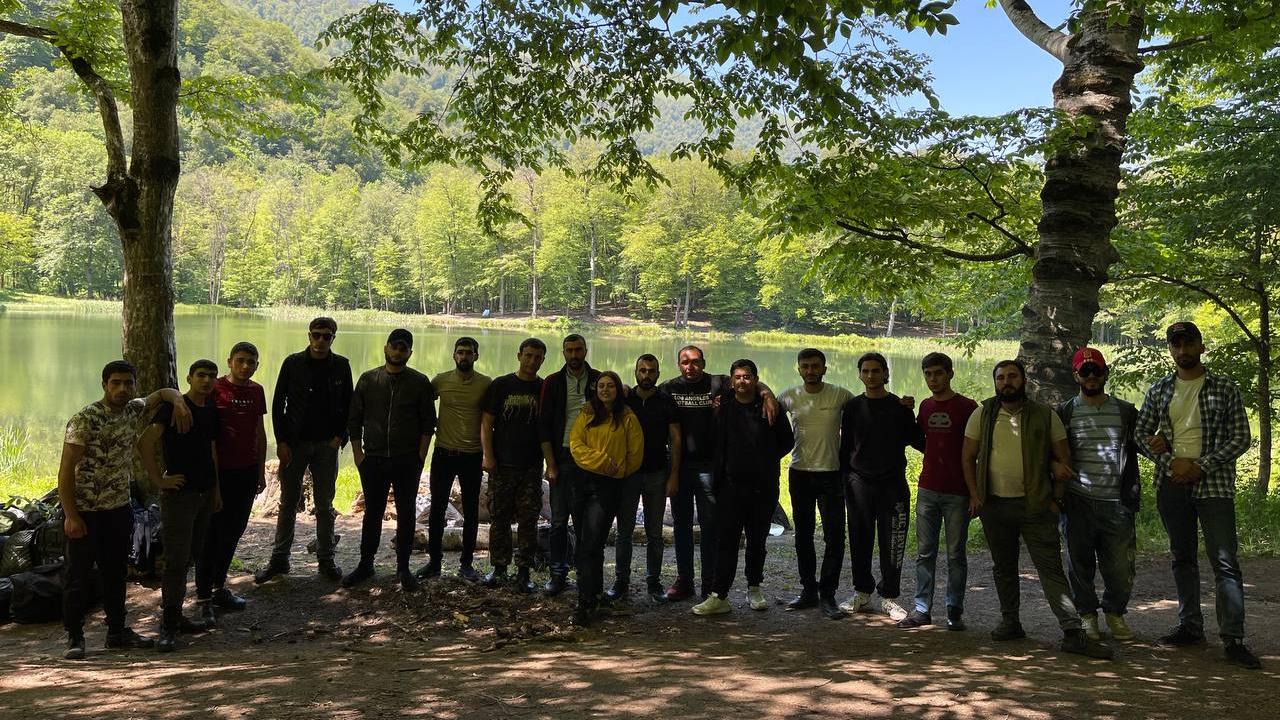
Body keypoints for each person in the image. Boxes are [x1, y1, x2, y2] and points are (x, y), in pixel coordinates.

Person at [962, 359, 1110, 658]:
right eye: (1001, 378)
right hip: (995, 506)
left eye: (1012, 376)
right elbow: (968, 456)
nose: (1007, 382)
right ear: (995, 382)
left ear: (1023, 380)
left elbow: (1064, 459)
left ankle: (1073, 632)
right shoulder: (983, 413)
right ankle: (1011, 622)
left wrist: (1057, 499)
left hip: (1037, 507)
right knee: (1003, 568)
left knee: (1050, 569)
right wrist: (975, 494)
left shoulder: (1045, 415)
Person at [1136, 321, 1260, 669]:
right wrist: (1170, 462)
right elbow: (1140, 434)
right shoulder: (1159, 390)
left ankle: (1233, 639)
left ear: (1201, 346)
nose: (1182, 350)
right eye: (1176, 345)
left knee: (1225, 561)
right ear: (1170, 349)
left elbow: (1240, 437)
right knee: (1182, 557)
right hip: (1172, 484)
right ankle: (1190, 627)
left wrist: (1200, 466)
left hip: (1214, 485)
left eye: (1188, 343)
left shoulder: (1224, 387)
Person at [58, 360, 190, 660]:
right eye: (115, 383)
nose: (122, 389)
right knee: (77, 575)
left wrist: (179, 402)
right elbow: (65, 471)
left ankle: (117, 632)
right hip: (85, 511)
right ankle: (75, 637)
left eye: (128, 383)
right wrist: (71, 515)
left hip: (118, 509)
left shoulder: (133, 410)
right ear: (104, 385)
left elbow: (163, 393)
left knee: (116, 572)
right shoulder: (85, 420)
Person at [662, 345, 776, 601]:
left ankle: (709, 583)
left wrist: (767, 394)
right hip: (679, 467)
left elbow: (747, 381)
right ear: (678, 364)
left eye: (695, 362)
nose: (690, 367)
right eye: (685, 362)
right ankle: (684, 580)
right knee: (681, 525)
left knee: (711, 527)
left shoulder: (718, 383)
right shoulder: (669, 388)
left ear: (703, 363)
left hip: (710, 468)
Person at [692, 359, 794, 616]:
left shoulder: (770, 408)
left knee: (757, 541)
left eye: (747, 377)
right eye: (737, 377)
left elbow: (787, 441)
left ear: (756, 379)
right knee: (726, 541)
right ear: (731, 380)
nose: (742, 382)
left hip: (762, 487)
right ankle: (719, 595)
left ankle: (754, 588)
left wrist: (764, 460)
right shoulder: (723, 406)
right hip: (729, 487)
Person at [256, 317, 353, 584]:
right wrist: (281, 442)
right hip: (295, 444)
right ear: (309, 336)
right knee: (287, 502)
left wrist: (340, 437)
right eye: (316, 335)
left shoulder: (341, 365)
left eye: (326, 336)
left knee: (325, 505)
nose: (320, 340)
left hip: (326, 445)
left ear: (333, 338)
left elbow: (349, 404)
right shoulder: (292, 363)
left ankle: (326, 559)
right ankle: (279, 560)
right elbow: (278, 404)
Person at [1055, 347, 1140, 642]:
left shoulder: (1126, 412)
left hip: (1117, 501)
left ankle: (1115, 613)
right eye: (1085, 371)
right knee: (1079, 565)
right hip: (1077, 500)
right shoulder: (1064, 413)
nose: (1091, 376)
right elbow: (1050, 453)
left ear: (1106, 373)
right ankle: (1087, 615)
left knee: (1120, 566)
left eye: (1096, 370)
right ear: (1076, 375)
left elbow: (1146, 444)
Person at [342, 329, 437, 592]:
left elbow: (428, 423)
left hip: (407, 459)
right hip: (373, 459)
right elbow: (354, 419)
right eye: (394, 347)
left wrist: (421, 455)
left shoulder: (419, 382)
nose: (397, 352)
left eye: (403, 348)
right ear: (386, 348)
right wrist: (358, 454)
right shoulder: (369, 379)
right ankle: (366, 563)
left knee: (406, 513)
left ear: (410, 352)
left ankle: (403, 568)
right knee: (372, 512)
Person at [140, 359, 222, 652]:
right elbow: (145, 443)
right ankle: (169, 624)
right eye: (201, 375)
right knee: (176, 561)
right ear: (189, 378)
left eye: (212, 376)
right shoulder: (173, 408)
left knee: (191, 555)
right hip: (179, 496)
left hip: (204, 494)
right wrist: (158, 480)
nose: (207, 380)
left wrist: (216, 491)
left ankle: (178, 615)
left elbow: (211, 450)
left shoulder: (211, 410)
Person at [838, 353, 923, 621]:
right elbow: (845, 448)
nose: (871, 375)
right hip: (859, 483)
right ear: (859, 374)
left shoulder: (900, 407)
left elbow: (918, 440)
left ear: (885, 373)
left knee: (893, 542)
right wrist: (846, 480)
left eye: (876, 371)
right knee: (859, 540)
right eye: (866, 371)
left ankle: (889, 597)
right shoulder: (852, 407)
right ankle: (862, 592)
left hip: (892, 485)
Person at [899, 352, 978, 630]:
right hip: (928, 489)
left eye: (938, 373)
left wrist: (975, 492)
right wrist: (904, 411)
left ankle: (954, 610)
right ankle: (922, 609)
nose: (933, 379)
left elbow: (976, 451)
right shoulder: (925, 406)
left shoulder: (968, 407)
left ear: (950, 374)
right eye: (928, 374)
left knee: (956, 554)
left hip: (958, 492)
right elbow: (920, 439)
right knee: (925, 553)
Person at [778, 348, 852, 620]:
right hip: (800, 474)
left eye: (815, 366)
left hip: (832, 474)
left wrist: (900, 405)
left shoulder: (841, 395)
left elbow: (868, 410)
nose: (810, 371)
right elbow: (764, 411)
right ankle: (809, 590)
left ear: (824, 368)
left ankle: (828, 594)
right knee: (803, 535)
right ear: (799, 369)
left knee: (835, 536)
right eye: (805, 366)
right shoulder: (788, 396)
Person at [195, 342, 268, 615]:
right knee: (211, 534)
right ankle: (203, 597)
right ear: (229, 361)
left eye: (251, 361)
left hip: (246, 471)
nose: (245, 366)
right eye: (240, 360)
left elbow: (259, 432)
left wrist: (260, 471)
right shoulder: (215, 389)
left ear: (257, 365)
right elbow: (207, 436)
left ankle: (218, 588)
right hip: (219, 472)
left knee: (234, 531)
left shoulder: (257, 391)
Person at [569, 371, 644, 624]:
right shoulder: (587, 413)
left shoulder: (628, 417)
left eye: (610, 386)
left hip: (608, 486)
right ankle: (594, 594)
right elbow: (576, 445)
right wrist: (602, 461)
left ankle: (585, 602)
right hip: (582, 483)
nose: (605, 390)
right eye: (601, 386)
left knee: (592, 543)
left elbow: (635, 455)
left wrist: (617, 471)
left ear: (618, 390)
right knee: (585, 543)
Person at [418, 336, 491, 583]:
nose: (464, 356)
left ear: (476, 356)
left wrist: (489, 454)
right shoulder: (440, 381)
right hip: (443, 453)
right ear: (454, 355)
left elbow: (491, 420)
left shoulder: (486, 384)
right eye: (460, 352)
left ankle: (466, 564)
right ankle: (434, 563)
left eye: (469, 352)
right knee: (437, 509)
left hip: (472, 456)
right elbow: (422, 406)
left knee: (471, 511)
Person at [613, 354, 681, 604]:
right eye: (642, 370)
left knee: (655, 533)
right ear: (635, 372)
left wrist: (673, 475)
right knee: (624, 532)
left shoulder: (666, 401)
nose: (646, 375)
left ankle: (654, 582)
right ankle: (621, 582)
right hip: (628, 474)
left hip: (656, 474)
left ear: (658, 374)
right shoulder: (624, 399)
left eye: (651, 371)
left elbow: (676, 439)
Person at [481, 338, 548, 594]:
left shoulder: (544, 388)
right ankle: (499, 568)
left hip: (531, 466)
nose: (532, 361)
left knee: (528, 520)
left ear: (543, 360)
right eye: (528, 355)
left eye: (537, 357)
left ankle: (524, 572)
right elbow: (487, 423)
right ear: (519, 355)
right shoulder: (501, 385)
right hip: (502, 465)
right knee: (499, 518)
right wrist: (488, 456)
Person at [538, 333, 600, 595]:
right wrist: (550, 464)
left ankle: (586, 576)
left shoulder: (598, 380)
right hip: (562, 456)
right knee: (559, 521)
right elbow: (543, 426)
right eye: (569, 350)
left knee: (586, 523)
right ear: (563, 352)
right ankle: (558, 574)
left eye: (578, 350)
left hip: (590, 458)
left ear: (586, 351)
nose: (574, 355)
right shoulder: (552, 382)